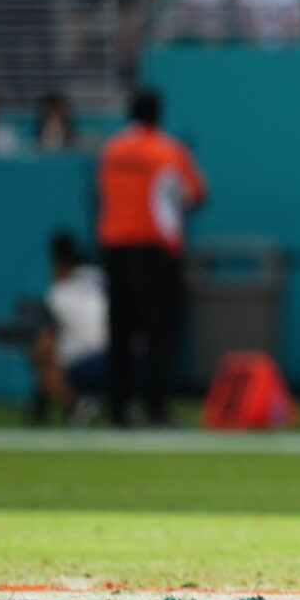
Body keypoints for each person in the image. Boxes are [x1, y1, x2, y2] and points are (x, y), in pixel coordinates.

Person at [97, 89, 206, 427]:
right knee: (160, 333)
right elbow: (195, 195)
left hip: (114, 247)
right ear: (159, 114)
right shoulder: (168, 151)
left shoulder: (112, 149)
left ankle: (118, 409)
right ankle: (155, 408)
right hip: (155, 250)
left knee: (120, 332)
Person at [29, 231, 107, 426]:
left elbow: (44, 346)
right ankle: (121, 405)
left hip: (90, 366)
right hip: (129, 360)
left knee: (43, 359)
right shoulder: (100, 278)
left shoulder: (57, 293)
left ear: (60, 266)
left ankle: (78, 405)